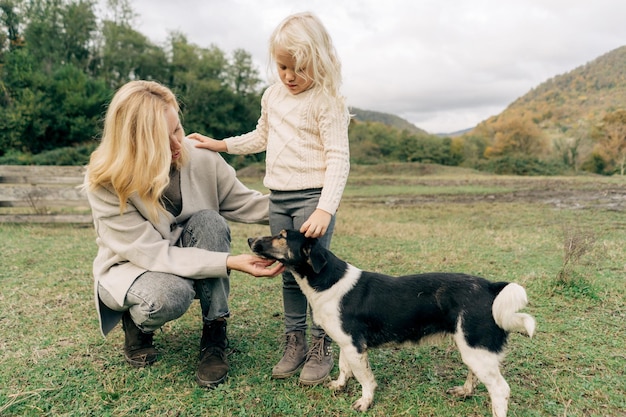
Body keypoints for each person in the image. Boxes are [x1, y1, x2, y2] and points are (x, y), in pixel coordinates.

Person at [83, 80, 284, 389]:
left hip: (184, 253)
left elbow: (244, 202)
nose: (179, 146)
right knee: (169, 295)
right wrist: (228, 262)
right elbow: (154, 254)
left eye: (177, 129)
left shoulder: (200, 156)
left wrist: (303, 206)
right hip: (132, 268)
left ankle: (214, 331)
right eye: (163, 141)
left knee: (209, 221)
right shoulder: (106, 183)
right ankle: (136, 323)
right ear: (134, 143)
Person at [189, 11, 350, 386]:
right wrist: (220, 144)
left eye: (299, 68)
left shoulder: (327, 101)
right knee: (287, 275)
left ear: (319, 62)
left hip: (313, 199)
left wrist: (326, 207)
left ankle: (320, 344)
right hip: (279, 199)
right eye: (282, 67)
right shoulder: (273, 96)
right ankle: (293, 342)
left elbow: (338, 158)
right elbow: (261, 136)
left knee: (315, 274)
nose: (290, 77)